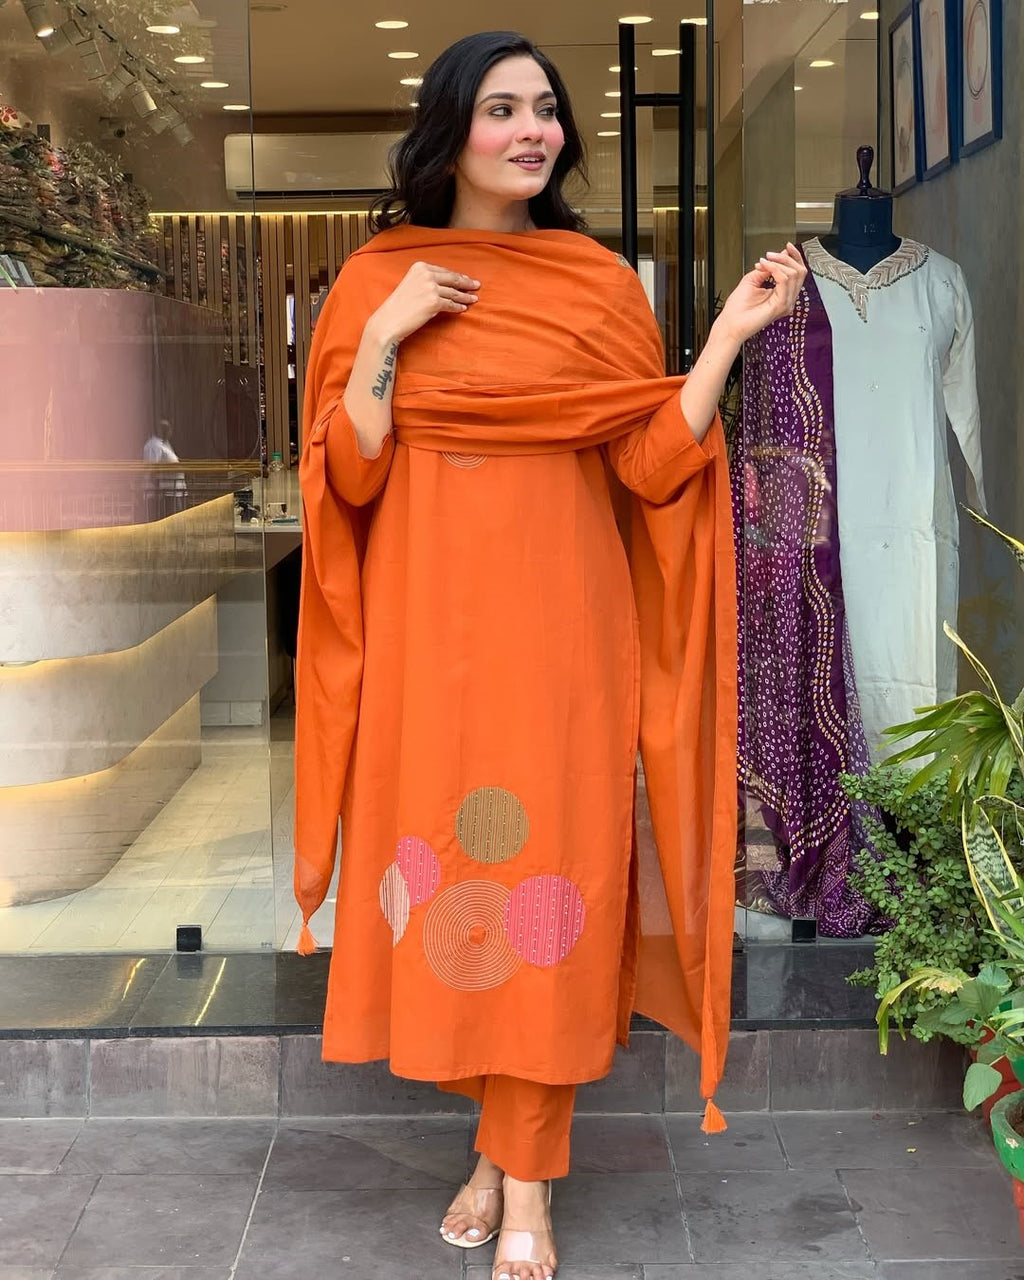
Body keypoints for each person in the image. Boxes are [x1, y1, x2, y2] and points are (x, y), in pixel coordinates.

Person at [294, 31, 805, 1280]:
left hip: (563, 637)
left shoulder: (596, 285)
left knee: (553, 891)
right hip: (429, 639)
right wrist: (386, 338)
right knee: (464, 890)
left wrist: (726, 338)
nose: (534, 131)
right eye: (503, 108)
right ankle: (496, 1145)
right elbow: (347, 469)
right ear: (449, 130)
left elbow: (642, 461)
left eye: (548, 111)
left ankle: (528, 1183)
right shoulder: (379, 278)